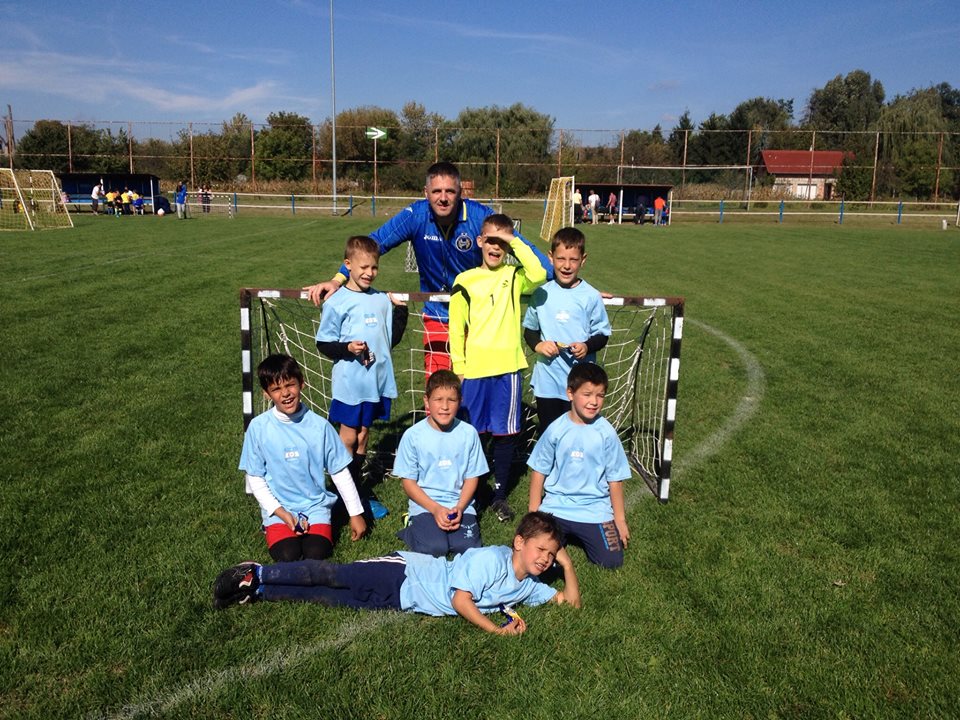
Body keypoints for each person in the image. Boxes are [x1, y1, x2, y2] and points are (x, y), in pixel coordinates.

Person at [304, 162, 552, 378]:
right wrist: (338, 279)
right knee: (439, 389)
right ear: (426, 193)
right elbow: (373, 244)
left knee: (472, 387)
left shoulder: (481, 217)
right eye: (436, 191)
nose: (443, 198)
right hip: (436, 315)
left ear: (460, 193)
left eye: (450, 191)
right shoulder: (415, 215)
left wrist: (552, 274)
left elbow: (539, 263)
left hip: (477, 319)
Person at [212, 511, 582, 635]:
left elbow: (571, 604)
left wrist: (567, 565)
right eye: (541, 550)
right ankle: (258, 571)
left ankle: (256, 590)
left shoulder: (529, 585)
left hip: (403, 600)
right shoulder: (490, 560)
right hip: (403, 574)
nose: (545, 559)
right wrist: (496, 631)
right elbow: (460, 600)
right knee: (332, 576)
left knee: (330, 598)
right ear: (519, 542)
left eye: (551, 554)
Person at [448, 213, 547, 522]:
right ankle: (475, 490)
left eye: (501, 243)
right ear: (479, 241)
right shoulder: (465, 281)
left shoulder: (514, 276)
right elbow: (456, 328)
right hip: (475, 371)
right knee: (474, 433)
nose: (495, 247)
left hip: (507, 369)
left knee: (505, 434)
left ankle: (500, 494)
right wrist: (459, 366)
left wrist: (514, 241)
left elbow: (540, 273)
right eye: (490, 240)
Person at [239, 354, 368, 563]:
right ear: (266, 394)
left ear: (302, 383)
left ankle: (319, 523)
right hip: (279, 509)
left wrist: (355, 513)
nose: (285, 394)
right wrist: (280, 512)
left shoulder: (320, 426)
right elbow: (255, 477)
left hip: (315, 506)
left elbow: (339, 472)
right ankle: (271, 526)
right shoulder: (258, 428)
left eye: (290, 385)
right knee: (287, 555)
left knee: (317, 552)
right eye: (276, 389)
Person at [315, 236, 408, 519]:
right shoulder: (337, 301)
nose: (369, 273)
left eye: (374, 267)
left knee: (363, 436)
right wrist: (347, 348)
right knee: (347, 439)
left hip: (375, 383)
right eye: (364, 267)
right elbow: (323, 343)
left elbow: (391, 340)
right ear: (348, 265)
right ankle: (342, 495)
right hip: (350, 385)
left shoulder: (380, 300)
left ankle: (355, 492)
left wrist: (401, 310)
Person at [527, 363, 631, 569]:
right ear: (570, 393)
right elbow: (539, 471)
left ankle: (582, 534)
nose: (594, 402)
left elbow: (615, 479)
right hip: (556, 508)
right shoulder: (556, 429)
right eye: (587, 394)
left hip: (594, 509)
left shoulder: (607, 433)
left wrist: (619, 520)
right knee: (538, 558)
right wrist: (534, 513)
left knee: (611, 561)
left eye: (600, 395)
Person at [523, 227, 611, 434]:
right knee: (550, 432)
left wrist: (586, 346)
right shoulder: (541, 294)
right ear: (551, 257)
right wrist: (539, 345)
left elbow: (602, 334)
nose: (566, 266)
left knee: (578, 432)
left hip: (582, 383)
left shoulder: (591, 296)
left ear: (583, 260)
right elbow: (530, 331)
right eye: (561, 259)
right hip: (548, 381)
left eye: (573, 260)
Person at [394, 370, 488, 556]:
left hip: (459, 504)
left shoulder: (469, 433)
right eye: (438, 399)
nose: (445, 406)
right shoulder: (413, 436)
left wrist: (460, 507)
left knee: (467, 549)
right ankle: (410, 527)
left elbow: (472, 477)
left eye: (451, 400)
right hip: (425, 505)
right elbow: (408, 482)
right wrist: (435, 509)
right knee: (435, 548)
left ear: (460, 401)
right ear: (426, 401)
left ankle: (447, 529)